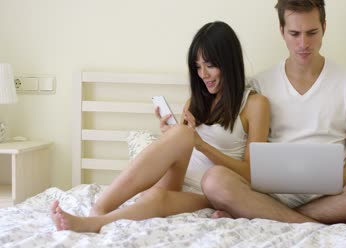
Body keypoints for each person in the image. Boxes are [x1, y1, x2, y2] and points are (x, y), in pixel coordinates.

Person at [50, 21, 270, 233]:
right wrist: (171, 135)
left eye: (210, 65)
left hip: (212, 191)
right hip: (179, 179)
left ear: (228, 62)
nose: (203, 75)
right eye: (198, 67)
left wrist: (201, 145)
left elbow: (252, 174)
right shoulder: (196, 101)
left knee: (155, 196)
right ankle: (97, 209)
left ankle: (96, 223)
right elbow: (184, 146)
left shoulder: (255, 104)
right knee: (180, 135)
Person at [201, 0, 346, 225]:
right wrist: (183, 129)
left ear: (325, 27)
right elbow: (233, 141)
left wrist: (332, 179)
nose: (303, 43)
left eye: (312, 32)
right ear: (282, 31)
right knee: (214, 180)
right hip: (267, 193)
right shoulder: (260, 84)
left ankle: (279, 219)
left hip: (330, 196)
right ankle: (292, 217)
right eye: (294, 33)